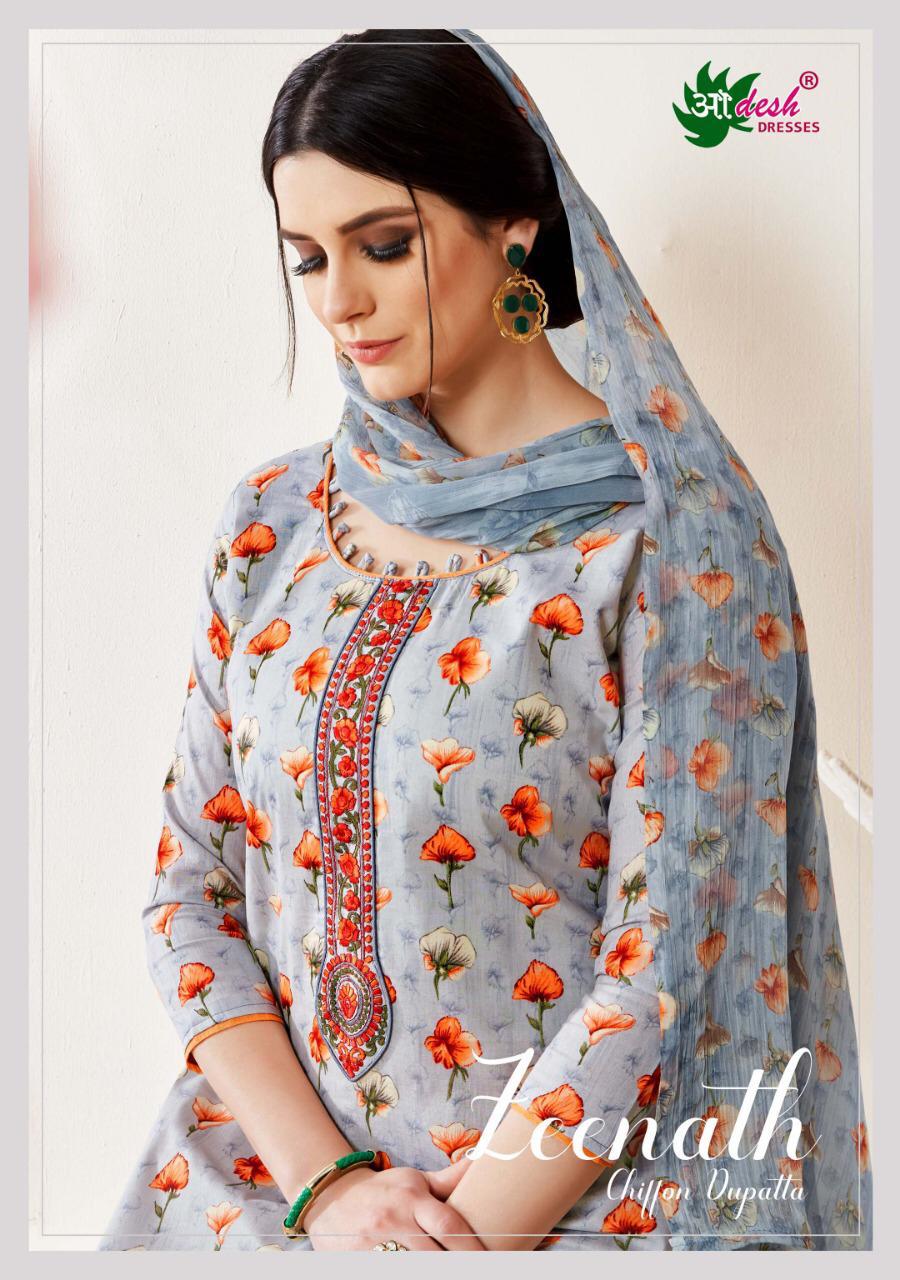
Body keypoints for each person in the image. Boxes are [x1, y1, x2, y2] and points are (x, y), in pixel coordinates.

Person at [98, 29, 872, 1252]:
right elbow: (191, 890)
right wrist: (331, 1190)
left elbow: (664, 975)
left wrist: (432, 1246)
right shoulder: (275, 523)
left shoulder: (672, 543)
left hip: (582, 1210)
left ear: (515, 229)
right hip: (264, 1187)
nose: (338, 302)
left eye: (383, 245)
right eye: (307, 258)